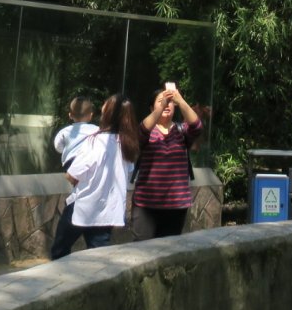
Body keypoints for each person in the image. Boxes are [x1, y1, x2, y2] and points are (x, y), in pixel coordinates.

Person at [49, 93, 140, 259]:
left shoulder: (95, 142)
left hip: (84, 206)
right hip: (107, 211)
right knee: (99, 258)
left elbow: (72, 174)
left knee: (59, 251)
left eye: (105, 105)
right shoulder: (128, 144)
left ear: (109, 113)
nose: (102, 107)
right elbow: (126, 173)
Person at [130, 83, 204, 241]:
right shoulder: (148, 131)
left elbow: (197, 127)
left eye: (170, 101)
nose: (166, 104)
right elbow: (141, 131)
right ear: (151, 108)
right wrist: (162, 105)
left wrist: (180, 100)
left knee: (167, 253)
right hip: (146, 205)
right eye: (161, 100)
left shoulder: (181, 130)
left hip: (176, 206)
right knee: (141, 251)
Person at [52, 95, 99, 169]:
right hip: (89, 164)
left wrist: (66, 149)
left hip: (70, 164)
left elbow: (58, 147)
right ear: (91, 115)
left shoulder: (65, 131)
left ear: (70, 115)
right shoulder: (97, 130)